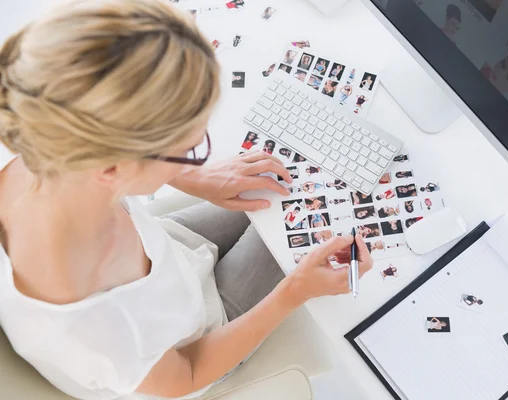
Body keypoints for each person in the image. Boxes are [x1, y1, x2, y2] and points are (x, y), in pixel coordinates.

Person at [0, 2, 374, 399]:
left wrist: (192, 175)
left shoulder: (43, 134)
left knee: (285, 190)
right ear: (113, 168)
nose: (203, 151)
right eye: (190, 146)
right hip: (196, 342)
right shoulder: (97, 326)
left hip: (174, 263)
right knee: (313, 225)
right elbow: (186, 374)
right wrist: (294, 292)